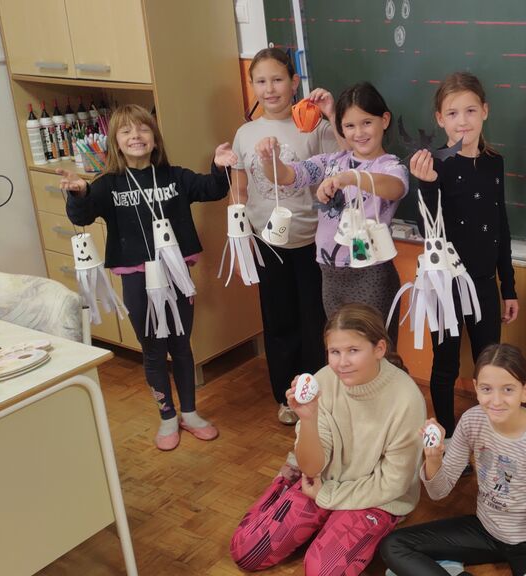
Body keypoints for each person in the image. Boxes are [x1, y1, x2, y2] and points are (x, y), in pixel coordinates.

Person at [61, 104, 236, 450]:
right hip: (136, 279)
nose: (136, 136)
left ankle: (189, 413)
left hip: (175, 275)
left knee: (181, 345)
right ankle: (167, 416)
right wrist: (78, 193)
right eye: (126, 131)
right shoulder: (107, 185)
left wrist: (219, 166)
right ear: (116, 142)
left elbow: (212, 189)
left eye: (143, 129)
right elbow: (81, 216)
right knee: (153, 350)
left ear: (155, 138)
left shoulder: (175, 177)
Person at [230, 303, 426, 575]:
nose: (342, 363)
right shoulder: (323, 381)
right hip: (323, 480)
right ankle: (289, 488)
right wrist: (308, 419)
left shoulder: (407, 399)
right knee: (246, 551)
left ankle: (334, 516)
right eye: (334, 352)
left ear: (379, 349)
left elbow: (393, 483)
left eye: (353, 350)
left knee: (322, 571)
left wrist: (329, 496)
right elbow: (311, 468)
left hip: (375, 497)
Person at [380, 343, 526, 576]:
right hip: (484, 530)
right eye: (486, 389)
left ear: (525, 390)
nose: (496, 401)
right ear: (476, 388)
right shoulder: (471, 421)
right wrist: (433, 457)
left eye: (508, 389)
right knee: (393, 545)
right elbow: (439, 492)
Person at [231, 47, 339, 425]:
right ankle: (286, 396)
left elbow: (345, 158)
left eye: (277, 80)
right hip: (267, 243)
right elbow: (240, 188)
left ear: (294, 83)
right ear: (252, 86)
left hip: (311, 241)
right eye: (261, 81)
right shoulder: (245, 133)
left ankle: (315, 393)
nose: (270, 89)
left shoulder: (313, 126)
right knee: (278, 321)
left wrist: (331, 115)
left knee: (314, 322)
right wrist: (240, 235)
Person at [409, 71, 519, 442]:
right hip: (446, 286)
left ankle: (490, 432)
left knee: (491, 364)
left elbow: (501, 227)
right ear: (440, 119)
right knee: (446, 363)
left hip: (485, 284)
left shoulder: (494, 162)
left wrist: (509, 287)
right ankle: (447, 435)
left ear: (485, 111)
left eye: (470, 111)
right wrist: (426, 185)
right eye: (453, 113)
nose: (463, 121)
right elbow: (428, 230)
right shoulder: (435, 166)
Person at [256, 83, 408, 342]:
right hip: (330, 274)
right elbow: (287, 176)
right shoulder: (330, 161)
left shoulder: (391, 166)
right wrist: (270, 160)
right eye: (350, 126)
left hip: (371, 274)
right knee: (341, 346)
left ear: (384, 120)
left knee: (374, 348)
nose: (359, 132)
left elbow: (395, 188)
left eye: (367, 123)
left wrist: (351, 177)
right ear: (341, 128)